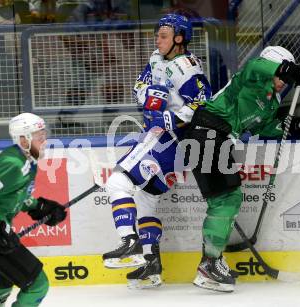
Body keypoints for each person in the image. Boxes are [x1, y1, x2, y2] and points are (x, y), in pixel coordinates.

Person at [182, 46, 300, 292]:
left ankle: (210, 262)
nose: (284, 82)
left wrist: (289, 124)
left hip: (217, 140)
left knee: (226, 198)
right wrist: (288, 69)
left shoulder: (271, 101)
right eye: (282, 76)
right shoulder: (251, 78)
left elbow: (262, 127)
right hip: (207, 133)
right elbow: (254, 65)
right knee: (226, 199)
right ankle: (209, 264)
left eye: (287, 80)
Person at [101, 13, 212, 289]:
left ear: (179, 38)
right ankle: (151, 266)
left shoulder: (187, 67)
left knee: (117, 181)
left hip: (168, 139)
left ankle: (130, 243)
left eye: (163, 35)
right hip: (172, 148)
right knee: (148, 199)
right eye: (157, 34)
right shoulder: (156, 59)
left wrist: (173, 118)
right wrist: (149, 95)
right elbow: (139, 86)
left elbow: (203, 102)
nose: (157, 39)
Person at [0, 113, 67, 306]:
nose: (44, 140)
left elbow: (11, 196)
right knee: (37, 285)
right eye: (39, 136)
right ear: (23, 139)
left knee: (0, 286)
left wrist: (39, 207)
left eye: (44, 134)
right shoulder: (12, 163)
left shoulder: (27, 162)